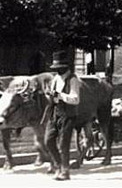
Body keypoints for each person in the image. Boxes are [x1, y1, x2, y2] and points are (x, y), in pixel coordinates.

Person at [44, 50, 80, 181]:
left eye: (59, 68)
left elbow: (75, 99)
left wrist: (61, 95)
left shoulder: (73, 79)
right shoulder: (55, 79)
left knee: (63, 144)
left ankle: (65, 171)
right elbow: (52, 98)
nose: (57, 70)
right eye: (55, 68)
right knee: (48, 141)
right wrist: (49, 95)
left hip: (68, 115)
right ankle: (58, 165)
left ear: (66, 67)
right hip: (55, 113)